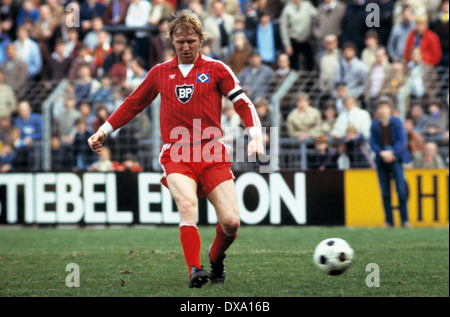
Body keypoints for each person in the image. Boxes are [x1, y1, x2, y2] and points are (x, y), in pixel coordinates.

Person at [87, 10, 264, 289]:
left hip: (211, 152)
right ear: (171, 39)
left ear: (201, 40)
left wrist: (255, 134)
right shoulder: (159, 73)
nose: (185, 47)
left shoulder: (217, 69)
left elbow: (242, 102)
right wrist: (103, 130)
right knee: (186, 205)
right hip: (176, 153)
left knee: (231, 223)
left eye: (191, 41)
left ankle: (215, 258)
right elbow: (133, 103)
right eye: (180, 41)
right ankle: (195, 268)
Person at [369, 96, 411, 228]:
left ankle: (405, 220)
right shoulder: (375, 124)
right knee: (385, 192)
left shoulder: (397, 122)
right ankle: (389, 221)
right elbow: (373, 143)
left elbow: (402, 141)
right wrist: (381, 153)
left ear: (390, 109)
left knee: (401, 190)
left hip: (396, 160)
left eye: (385, 107)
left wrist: (392, 153)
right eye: (380, 108)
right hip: (381, 161)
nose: (382, 110)